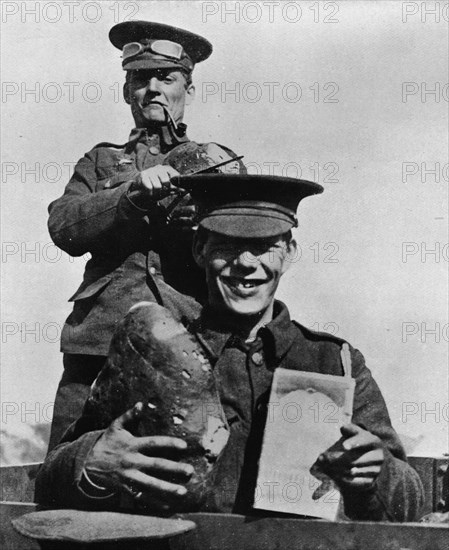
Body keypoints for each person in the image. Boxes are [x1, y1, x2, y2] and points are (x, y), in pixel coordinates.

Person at [36, 174, 424, 522]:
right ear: (200, 249)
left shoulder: (332, 362)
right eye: (228, 246)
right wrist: (91, 462)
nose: (245, 264)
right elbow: (50, 479)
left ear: (289, 252)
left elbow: (408, 503)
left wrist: (375, 474)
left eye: (264, 246)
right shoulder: (158, 352)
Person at [47, 21, 245, 450]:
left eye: (167, 78)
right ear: (126, 92)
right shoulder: (100, 161)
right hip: (99, 343)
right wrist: (130, 196)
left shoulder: (217, 163)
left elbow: (242, 242)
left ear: (188, 91)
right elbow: (63, 227)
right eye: (141, 78)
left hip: (191, 337)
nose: (153, 88)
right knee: (72, 463)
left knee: (184, 467)